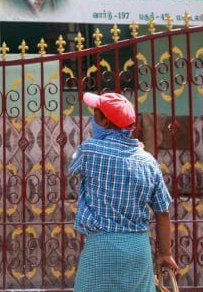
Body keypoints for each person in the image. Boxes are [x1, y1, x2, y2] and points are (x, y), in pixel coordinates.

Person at [69, 92, 177, 292]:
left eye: (96, 115)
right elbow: (163, 213)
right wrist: (165, 254)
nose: (93, 119)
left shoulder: (89, 151)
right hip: (138, 250)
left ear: (105, 122)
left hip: (101, 249)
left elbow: (72, 166)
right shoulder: (148, 162)